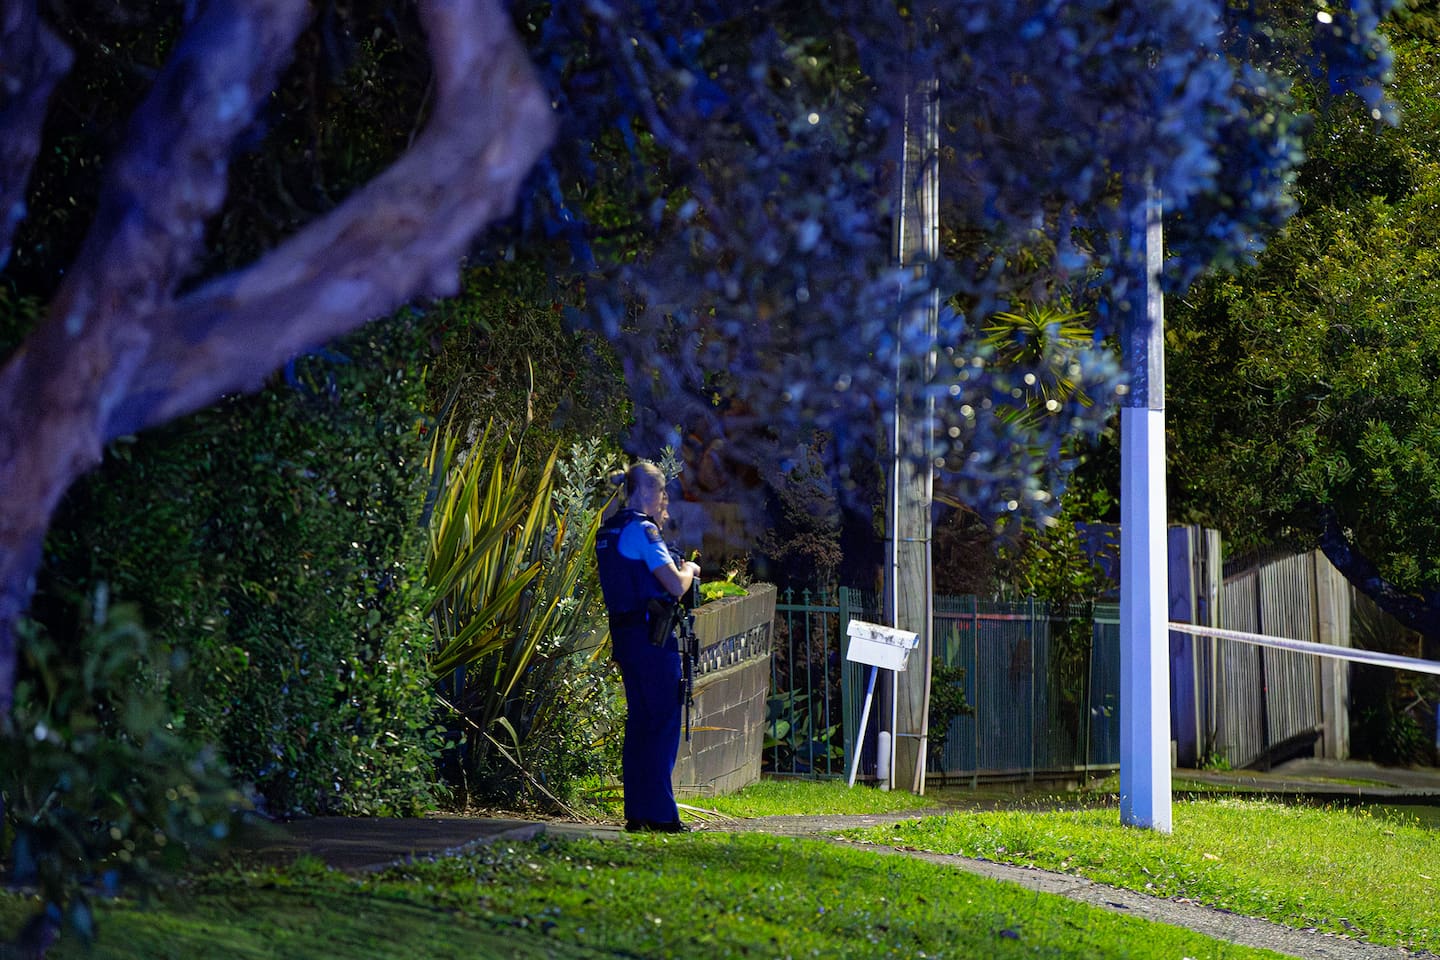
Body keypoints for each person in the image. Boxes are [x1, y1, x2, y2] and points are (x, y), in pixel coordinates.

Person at [594, 461, 701, 833]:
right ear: (647, 492)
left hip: (627, 637)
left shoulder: (609, 529)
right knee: (661, 723)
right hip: (653, 638)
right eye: (662, 493)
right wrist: (689, 571)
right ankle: (660, 815)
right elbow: (673, 585)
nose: (664, 501)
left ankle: (638, 811)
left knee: (640, 724)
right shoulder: (643, 529)